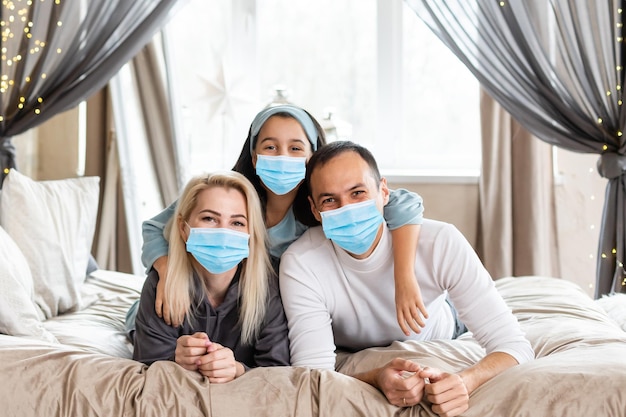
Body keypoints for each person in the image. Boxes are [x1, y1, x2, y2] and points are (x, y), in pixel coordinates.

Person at [278, 141, 535, 416]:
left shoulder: (439, 241)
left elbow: (514, 345)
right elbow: (313, 374)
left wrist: (465, 380)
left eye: (358, 193)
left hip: (440, 327)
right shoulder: (301, 263)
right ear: (315, 210)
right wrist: (375, 376)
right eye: (330, 200)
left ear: (384, 191)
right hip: (352, 345)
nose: (347, 209)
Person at [141, 104, 429, 335]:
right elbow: (155, 227)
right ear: (254, 157)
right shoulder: (228, 196)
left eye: (295, 148)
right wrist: (167, 275)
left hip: (271, 322)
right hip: (204, 312)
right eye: (270, 147)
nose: (282, 157)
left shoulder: (324, 207)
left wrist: (404, 278)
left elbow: (404, 202)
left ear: (312, 155)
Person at [130, 171, 290, 383]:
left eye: (237, 223)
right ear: (183, 228)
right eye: (209, 218)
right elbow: (147, 365)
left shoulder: (271, 284)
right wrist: (175, 361)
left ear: (251, 233)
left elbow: (277, 371)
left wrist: (238, 370)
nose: (223, 233)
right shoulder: (161, 282)